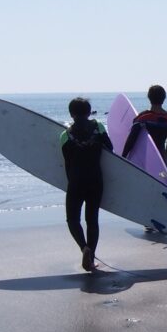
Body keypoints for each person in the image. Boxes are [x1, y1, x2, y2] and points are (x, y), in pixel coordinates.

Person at [60, 97, 113, 272]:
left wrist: (71, 182)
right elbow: (110, 148)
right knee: (92, 220)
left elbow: (67, 162)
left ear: (71, 114)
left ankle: (84, 248)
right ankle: (90, 260)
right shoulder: (98, 128)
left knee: (73, 219)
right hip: (95, 180)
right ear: (89, 112)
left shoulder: (65, 135)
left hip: (75, 181)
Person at [122, 85, 167, 165]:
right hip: (161, 157)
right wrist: (166, 158)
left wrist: (123, 157)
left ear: (149, 98)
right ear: (164, 98)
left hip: (144, 157)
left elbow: (131, 140)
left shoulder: (143, 118)